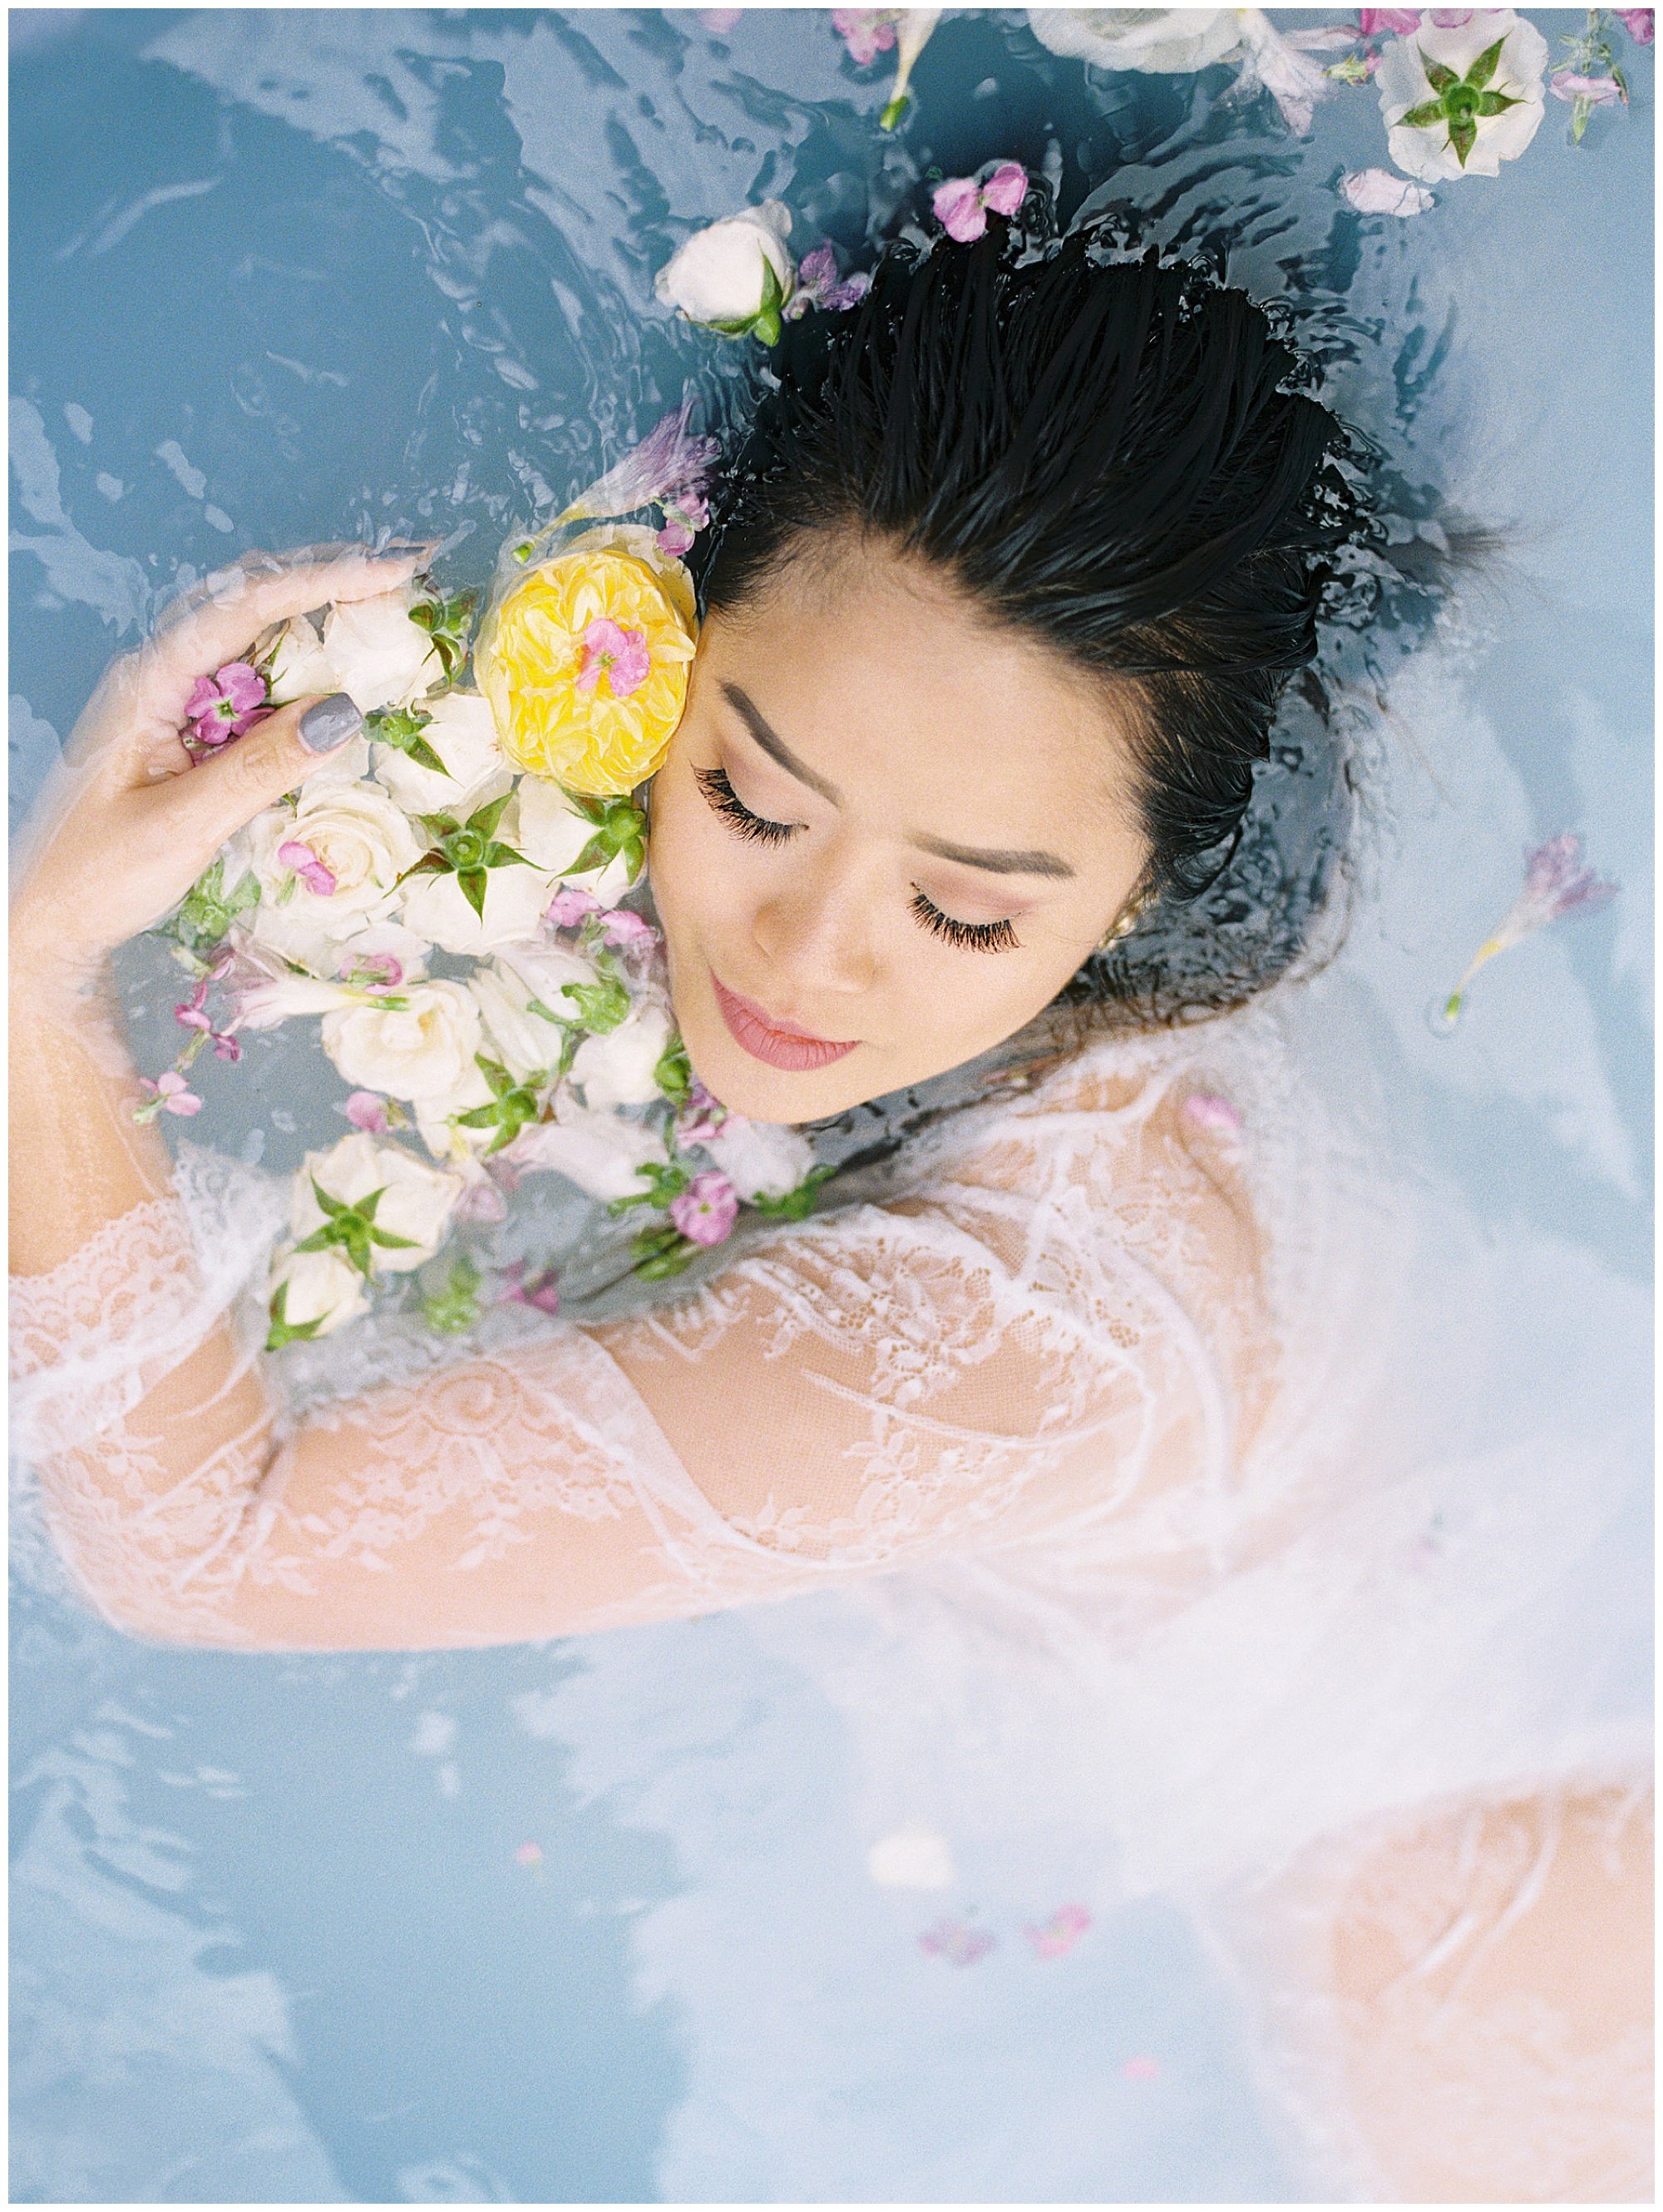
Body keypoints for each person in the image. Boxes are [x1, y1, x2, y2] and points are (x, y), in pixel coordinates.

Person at [8, 235, 1649, 2200]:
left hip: (1478, 1949)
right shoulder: (1208, 977)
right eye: (751, 798)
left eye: (963, 913)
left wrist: (34, 982)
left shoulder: (1010, 1340)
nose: (801, 953)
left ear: (1134, 896)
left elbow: (200, 1541)